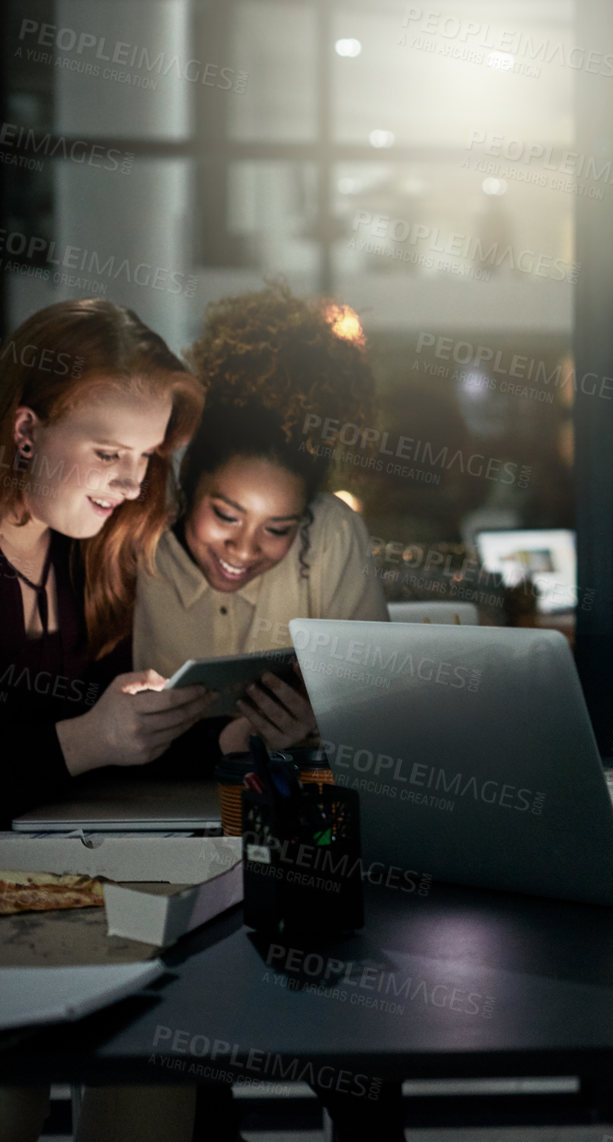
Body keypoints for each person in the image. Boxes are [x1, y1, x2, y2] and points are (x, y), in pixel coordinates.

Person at [0, 299, 209, 1140]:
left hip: (60, 885)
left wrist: (211, 728)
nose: (131, 483)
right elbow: (77, 744)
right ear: (25, 432)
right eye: (108, 453)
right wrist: (85, 740)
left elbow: (97, 739)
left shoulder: (84, 549)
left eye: (147, 456)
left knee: (156, 1062)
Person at [133, 283, 388, 756]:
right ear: (189, 478)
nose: (245, 550)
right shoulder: (136, 530)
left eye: (278, 529)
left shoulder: (331, 536)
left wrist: (317, 732)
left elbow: (377, 716)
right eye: (226, 515)